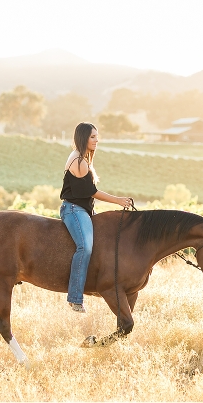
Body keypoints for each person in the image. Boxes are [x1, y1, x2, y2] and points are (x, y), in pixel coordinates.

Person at [60, 122, 133, 313]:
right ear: (83, 137)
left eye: (97, 136)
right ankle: (75, 297)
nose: (96, 140)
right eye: (93, 137)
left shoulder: (81, 157)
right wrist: (118, 200)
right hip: (74, 210)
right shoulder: (79, 162)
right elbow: (91, 192)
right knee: (85, 247)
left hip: (82, 209)